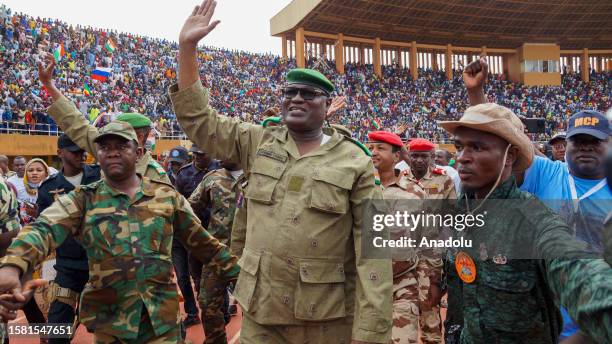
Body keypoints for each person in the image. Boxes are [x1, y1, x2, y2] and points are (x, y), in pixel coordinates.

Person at [171, 2, 393, 343]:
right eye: (290, 92)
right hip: (262, 314)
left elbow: (372, 253)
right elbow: (201, 123)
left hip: (326, 321)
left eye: (309, 94)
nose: (297, 99)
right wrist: (187, 49)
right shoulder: (257, 142)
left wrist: (370, 334)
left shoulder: (354, 161)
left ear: (326, 105)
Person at [0, 120, 239, 343]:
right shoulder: (84, 199)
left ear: (138, 153)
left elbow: (205, 245)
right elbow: (43, 228)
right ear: (98, 155)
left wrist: (243, 277)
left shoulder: (165, 196)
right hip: (111, 324)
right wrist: (13, 266)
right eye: (105, 147)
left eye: (121, 145)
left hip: (161, 323)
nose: (112, 152)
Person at [437, 102, 612, 343]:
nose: (463, 158)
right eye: (459, 147)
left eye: (477, 147)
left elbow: (580, 273)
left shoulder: (533, 220)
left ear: (510, 155)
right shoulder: (463, 213)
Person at [37, 53, 170, 184]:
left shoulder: (156, 175)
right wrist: (49, 85)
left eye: (120, 133)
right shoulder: (106, 150)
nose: (111, 152)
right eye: (106, 146)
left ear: (139, 137)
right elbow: (77, 124)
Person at [36, 134, 101, 344]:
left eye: (82, 150)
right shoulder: (48, 188)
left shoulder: (100, 175)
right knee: (57, 329)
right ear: (60, 153)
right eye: (74, 150)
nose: (81, 154)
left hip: (103, 263)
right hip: (68, 265)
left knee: (115, 326)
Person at [367, 131, 426, 344]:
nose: (373, 152)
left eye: (380, 148)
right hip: (364, 286)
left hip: (402, 284)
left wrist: (430, 281)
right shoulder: (358, 189)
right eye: (371, 147)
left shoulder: (415, 193)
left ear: (397, 157)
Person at [188, 160, 243, 343]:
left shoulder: (256, 177)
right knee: (208, 304)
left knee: (255, 307)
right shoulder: (212, 179)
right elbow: (189, 210)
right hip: (216, 255)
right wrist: (200, 239)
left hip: (247, 256)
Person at [174, 143, 220, 327]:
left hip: (207, 233)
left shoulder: (219, 170)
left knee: (208, 277)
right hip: (184, 232)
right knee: (184, 277)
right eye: (195, 154)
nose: (198, 157)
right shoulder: (184, 173)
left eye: (202, 154)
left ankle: (219, 310)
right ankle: (192, 313)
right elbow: (178, 201)